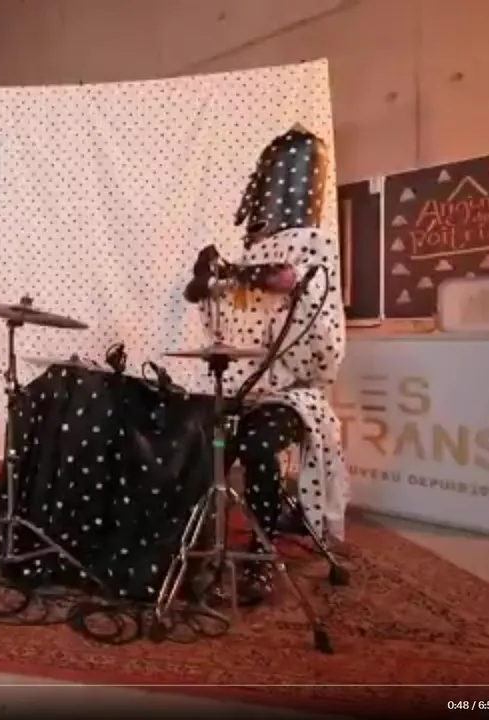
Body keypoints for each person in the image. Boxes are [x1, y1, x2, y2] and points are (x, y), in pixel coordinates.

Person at [193, 125, 350, 604]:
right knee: (193, 436)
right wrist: (207, 286)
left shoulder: (316, 246)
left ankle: (261, 556)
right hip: (243, 389)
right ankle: (192, 543)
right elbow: (227, 321)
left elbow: (320, 340)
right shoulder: (250, 253)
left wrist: (290, 285)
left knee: (258, 446)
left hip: (293, 395)